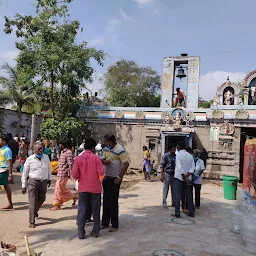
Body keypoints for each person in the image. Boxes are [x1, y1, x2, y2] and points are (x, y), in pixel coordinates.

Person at [72, 138, 104, 239]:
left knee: (82, 210)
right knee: (95, 210)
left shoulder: (78, 159)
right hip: (95, 188)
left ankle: (81, 233)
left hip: (83, 188)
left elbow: (74, 174)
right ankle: (95, 231)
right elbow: (101, 172)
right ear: (93, 148)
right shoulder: (96, 158)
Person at [101, 134, 129, 232]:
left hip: (114, 179)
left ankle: (114, 224)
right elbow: (103, 159)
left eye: (106, 142)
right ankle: (104, 222)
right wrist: (104, 162)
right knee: (106, 201)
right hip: (106, 177)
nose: (105, 144)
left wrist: (119, 177)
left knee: (113, 202)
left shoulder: (120, 149)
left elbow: (126, 163)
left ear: (111, 142)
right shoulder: (105, 149)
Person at [21, 142, 51, 228]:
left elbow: (49, 168)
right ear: (34, 150)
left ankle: (34, 211)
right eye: (38, 149)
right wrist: (24, 185)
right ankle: (32, 221)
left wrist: (49, 179)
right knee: (32, 201)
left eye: (41, 148)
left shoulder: (46, 157)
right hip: (33, 182)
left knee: (42, 198)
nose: (40, 150)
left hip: (43, 181)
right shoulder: (30, 159)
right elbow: (25, 173)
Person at [50, 141, 77, 211]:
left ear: (62, 145)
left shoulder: (69, 152)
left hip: (64, 174)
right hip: (59, 173)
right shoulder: (62, 152)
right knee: (61, 188)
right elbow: (59, 163)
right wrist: (54, 169)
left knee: (58, 189)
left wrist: (71, 174)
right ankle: (73, 197)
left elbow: (70, 164)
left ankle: (57, 205)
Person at [172, 144, 195, 218]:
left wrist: (183, 176)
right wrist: (187, 175)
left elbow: (179, 166)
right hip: (188, 178)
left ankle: (177, 213)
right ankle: (191, 212)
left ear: (178, 148)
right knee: (189, 195)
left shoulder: (178, 155)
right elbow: (193, 167)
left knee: (177, 195)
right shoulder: (190, 155)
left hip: (179, 178)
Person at [0, 135, 13, 210]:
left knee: (6, 186)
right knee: (6, 186)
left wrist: (10, 174)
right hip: (1, 170)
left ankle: (10, 204)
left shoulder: (7, 150)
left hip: (4, 171)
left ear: (4, 142)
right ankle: (10, 204)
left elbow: (9, 162)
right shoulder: (1, 149)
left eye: (0, 140)